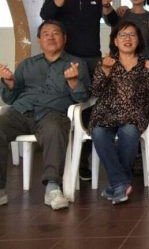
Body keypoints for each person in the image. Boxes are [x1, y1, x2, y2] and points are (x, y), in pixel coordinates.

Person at [40, 0, 118, 181]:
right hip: (65, 59)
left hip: (92, 60)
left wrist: (107, 5)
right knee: (64, 106)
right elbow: (46, 15)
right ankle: (61, 160)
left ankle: (84, 162)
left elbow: (113, 22)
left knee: (91, 111)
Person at [0, 20, 90, 209]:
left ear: (64, 38)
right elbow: (10, 98)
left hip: (53, 113)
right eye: (46, 34)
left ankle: (52, 187)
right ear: (39, 40)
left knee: (54, 130)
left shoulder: (76, 64)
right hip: (21, 111)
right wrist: (9, 84)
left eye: (55, 33)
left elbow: (82, 98)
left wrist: (73, 82)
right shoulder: (27, 64)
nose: (50, 37)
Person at [89, 21, 149, 204]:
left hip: (134, 114)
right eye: (122, 35)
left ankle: (117, 185)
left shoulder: (146, 63)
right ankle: (122, 183)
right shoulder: (106, 62)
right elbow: (95, 91)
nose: (127, 38)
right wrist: (105, 70)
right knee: (98, 132)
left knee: (129, 131)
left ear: (138, 40)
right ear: (115, 41)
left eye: (132, 35)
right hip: (106, 113)